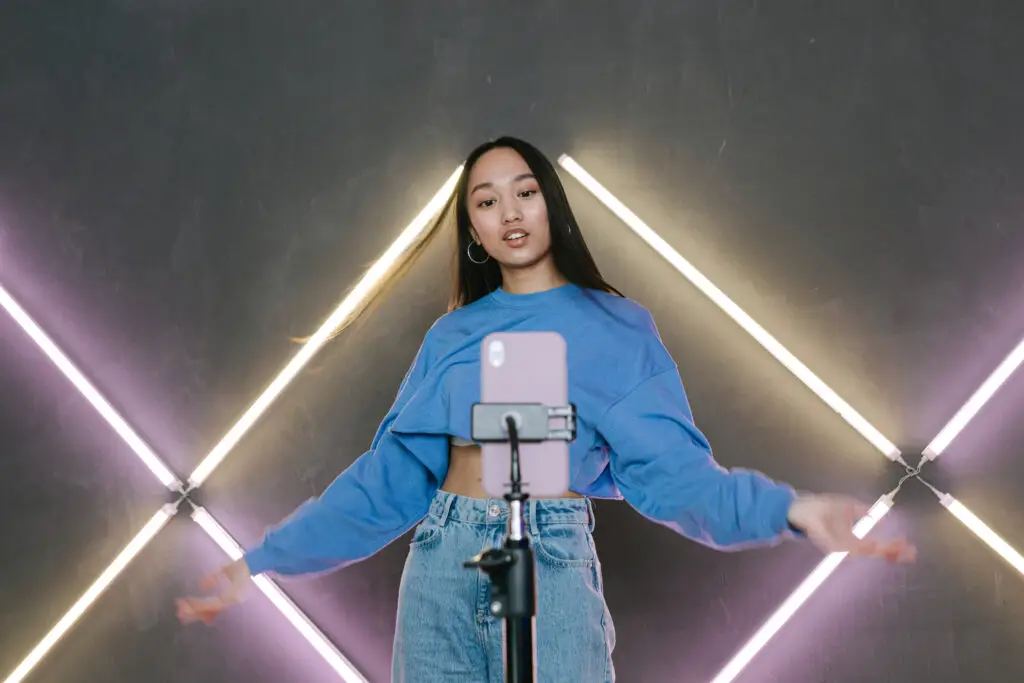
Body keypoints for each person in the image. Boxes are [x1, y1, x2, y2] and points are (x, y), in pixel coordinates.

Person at [177, 136, 915, 681]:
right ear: (473, 229)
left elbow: (680, 480)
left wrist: (791, 510)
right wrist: (263, 558)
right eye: (486, 201)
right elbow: (386, 484)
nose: (509, 212)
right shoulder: (452, 335)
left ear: (551, 203)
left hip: (550, 559)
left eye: (525, 191)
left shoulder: (616, 328)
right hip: (443, 560)